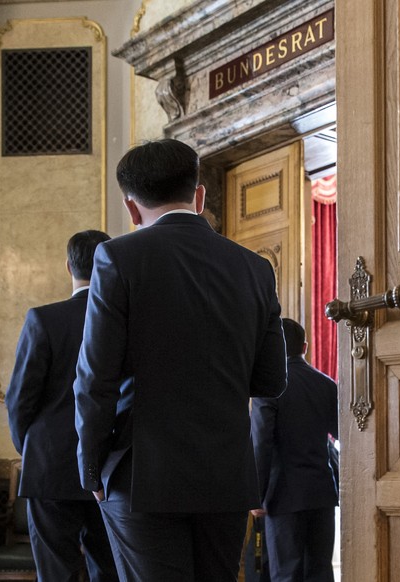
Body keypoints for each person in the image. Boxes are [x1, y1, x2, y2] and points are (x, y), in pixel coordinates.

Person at [73, 138, 287, 581]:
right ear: (200, 196)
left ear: (131, 209)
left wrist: (91, 469)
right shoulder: (256, 268)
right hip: (225, 476)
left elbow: (96, 378)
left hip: (141, 474)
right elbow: (270, 380)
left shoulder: (116, 257)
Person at [6, 229, 118, 582]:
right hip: (111, 464)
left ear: (68, 267)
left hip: (50, 464)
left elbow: (19, 398)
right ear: (107, 265)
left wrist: (32, 447)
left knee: (56, 571)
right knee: (112, 567)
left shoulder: (44, 319)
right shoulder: (125, 322)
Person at [250, 318, 339, 582]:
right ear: (305, 346)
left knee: (287, 574)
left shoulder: (269, 388)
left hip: (284, 496)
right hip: (322, 493)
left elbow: (261, 442)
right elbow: (343, 436)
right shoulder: (326, 384)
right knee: (321, 573)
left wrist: (256, 494)